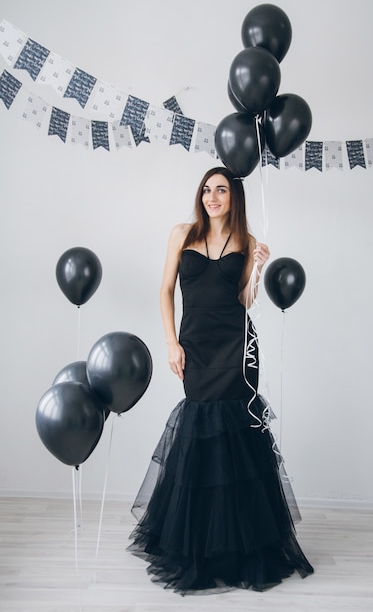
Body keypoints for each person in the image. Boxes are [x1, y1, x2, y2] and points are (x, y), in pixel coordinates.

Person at [127, 166, 314, 594]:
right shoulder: (182, 233)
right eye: (207, 190)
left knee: (235, 434)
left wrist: (259, 269)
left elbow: (243, 299)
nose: (212, 197)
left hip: (237, 347)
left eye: (221, 191)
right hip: (196, 346)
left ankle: (237, 547)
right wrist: (172, 343)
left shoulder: (246, 242)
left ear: (234, 198)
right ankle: (200, 543)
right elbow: (165, 290)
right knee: (201, 429)